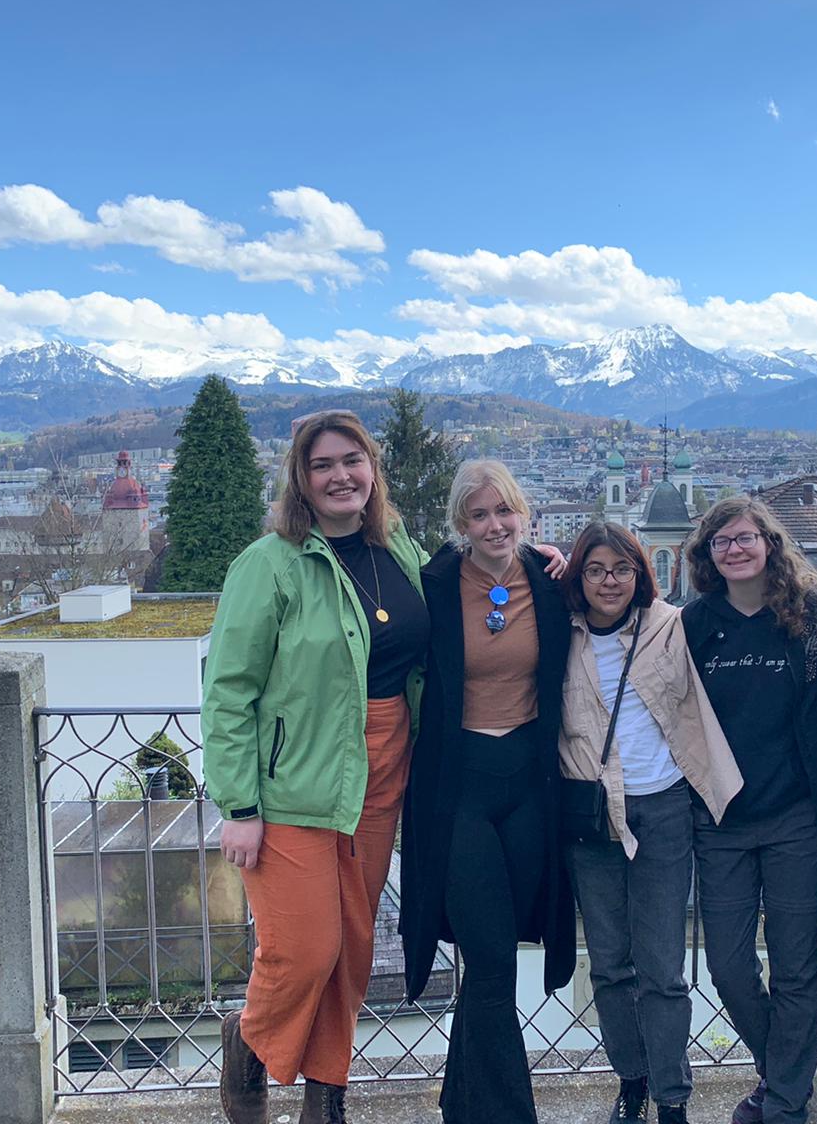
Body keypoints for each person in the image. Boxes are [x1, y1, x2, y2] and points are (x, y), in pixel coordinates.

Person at [203, 410, 429, 1124]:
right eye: (323, 465)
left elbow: (455, 608)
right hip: (295, 783)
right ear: (300, 480)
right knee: (305, 949)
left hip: (383, 769)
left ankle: (325, 1099)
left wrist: (536, 565)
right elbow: (228, 689)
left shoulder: (399, 548)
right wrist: (238, 805)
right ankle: (247, 1045)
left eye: (351, 461)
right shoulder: (268, 564)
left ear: (373, 469)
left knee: (352, 949)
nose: (340, 476)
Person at [399, 459, 575, 1124]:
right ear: (459, 524)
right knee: (492, 957)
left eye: (506, 511)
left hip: (530, 783)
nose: (496, 525)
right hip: (458, 789)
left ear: (524, 513)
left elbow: (631, 591)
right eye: (480, 514)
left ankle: (460, 1102)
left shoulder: (551, 580)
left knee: (499, 958)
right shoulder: (435, 586)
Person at [557, 522, 744, 1124]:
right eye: (594, 570)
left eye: (621, 569)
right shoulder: (561, 637)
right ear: (577, 577)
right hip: (592, 816)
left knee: (662, 969)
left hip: (662, 810)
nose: (609, 582)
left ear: (641, 573)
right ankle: (631, 1079)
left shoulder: (672, 626)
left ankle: (672, 1098)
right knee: (610, 964)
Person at [681, 496, 817, 1124]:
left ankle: (783, 1102)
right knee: (726, 967)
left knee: (797, 966)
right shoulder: (691, 627)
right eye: (721, 541)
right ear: (707, 555)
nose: (736, 549)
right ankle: (785, 1074)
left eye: (746, 537)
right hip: (720, 818)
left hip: (798, 817)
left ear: (770, 544)